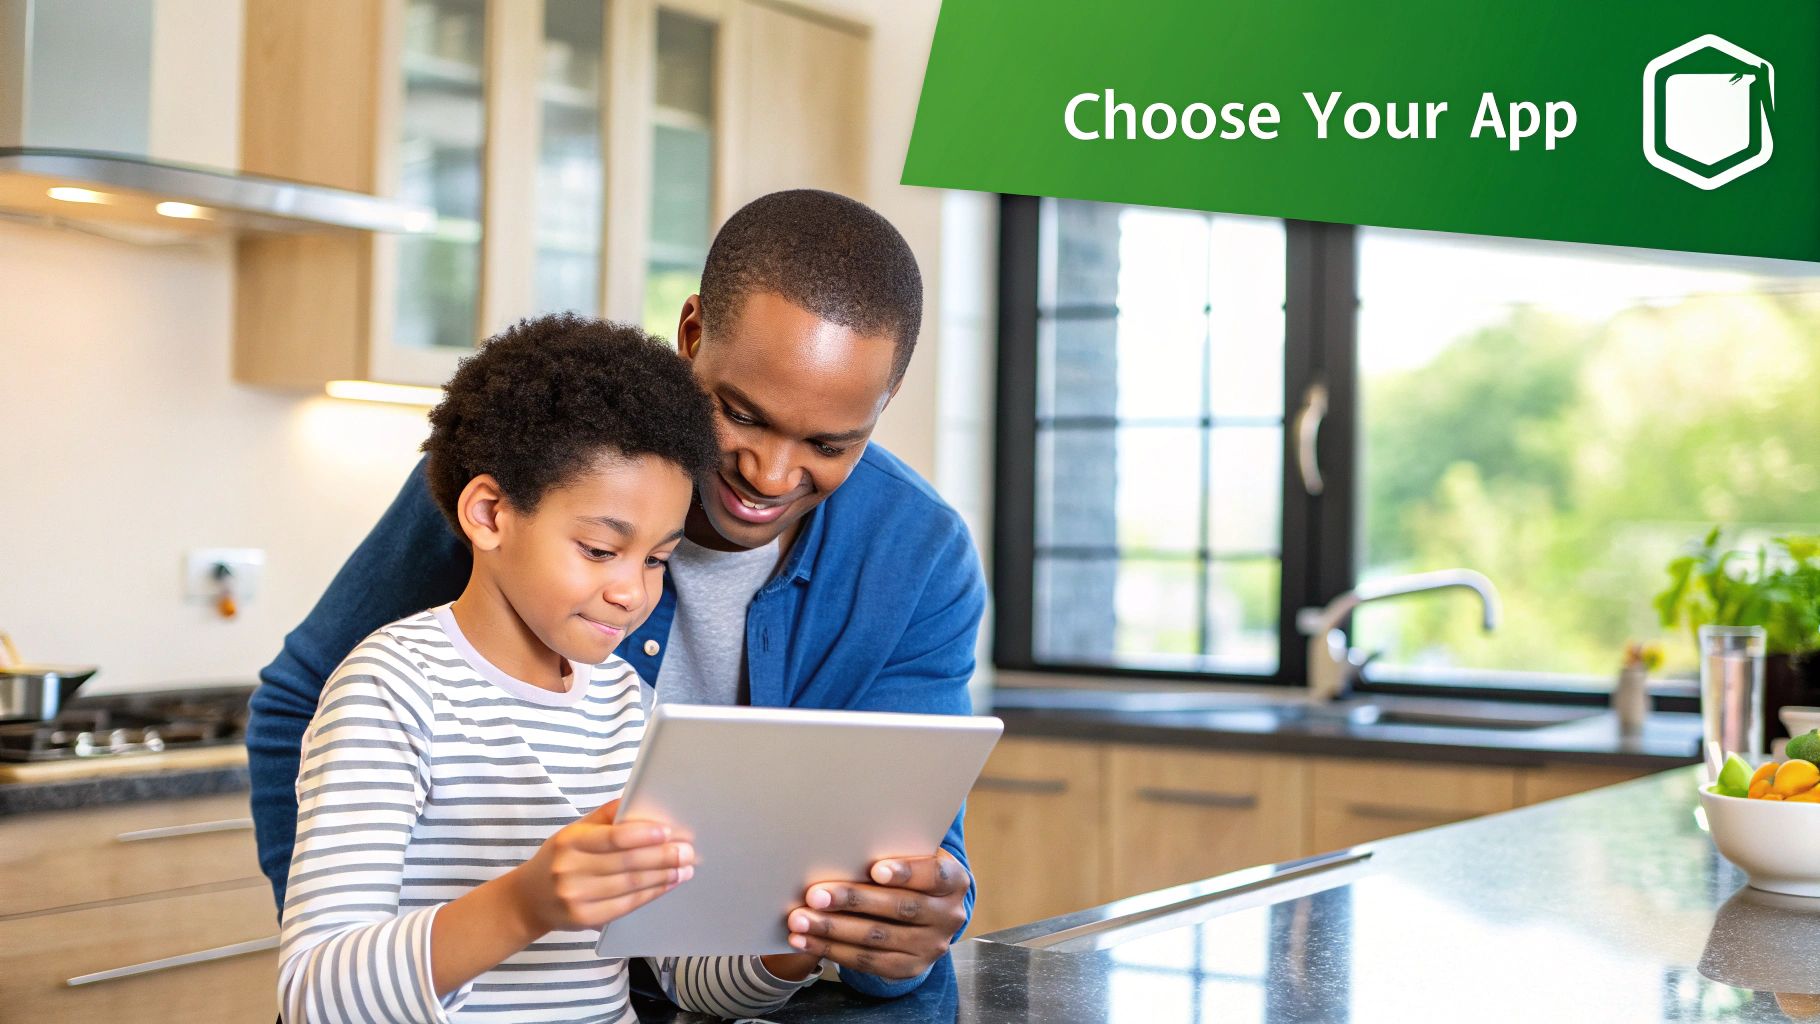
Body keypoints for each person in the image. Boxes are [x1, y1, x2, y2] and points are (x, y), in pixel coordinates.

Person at [248, 189, 987, 997]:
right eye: (741, 414)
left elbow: (691, 958)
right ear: (693, 334)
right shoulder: (537, 469)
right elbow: (324, 973)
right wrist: (378, 963)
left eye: (829, 442)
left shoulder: (631, 700)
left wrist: (834, 932)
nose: (769, 475)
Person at [278, 317, 820, 1022]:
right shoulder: (393, 687)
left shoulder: (627, 702)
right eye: (600, 550)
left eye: (657, 558)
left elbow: (684, 972)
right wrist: (525, 903)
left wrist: (795, 945)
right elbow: (316, 992)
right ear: (491, 514)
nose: (633, 591)